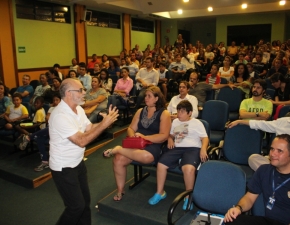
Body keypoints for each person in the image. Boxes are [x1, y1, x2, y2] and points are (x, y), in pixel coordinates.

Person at [49, 78, 118, 225]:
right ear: (69, 93)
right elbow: (81, 141)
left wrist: (105, 123)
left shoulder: (78, 109)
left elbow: (89, 128)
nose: (84, 92)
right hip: (63, 167)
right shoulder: (60, 115)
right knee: (75, 207)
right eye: (80, 90)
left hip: (77, 163)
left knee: (85, 203)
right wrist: (104, 124)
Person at [103, 86, 171, 201]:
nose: (146, 98)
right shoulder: (140, 111)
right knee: (118, 159)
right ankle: (120, 190)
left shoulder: (164, 113)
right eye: (145, 95)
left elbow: (163, 136)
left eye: (149, 96)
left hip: (152, 144)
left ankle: (118, 149)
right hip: (136, 143)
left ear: (156, 98)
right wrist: (132, 135)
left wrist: (145, 137)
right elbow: (131, 128)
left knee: (146, 157)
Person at [148, 100, 208, 208]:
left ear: (189, 113)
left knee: (188, 169)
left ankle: (188, 197)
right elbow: (170, 135)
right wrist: (170, 139)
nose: (179, 114)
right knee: (161, 164)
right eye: (178, 111)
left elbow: (205, 138)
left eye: (182, 112)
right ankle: (160, 192)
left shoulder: (197, 123)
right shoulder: (175, 122)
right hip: (177, 148)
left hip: (193, 149)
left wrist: (203, 149)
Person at [224, 134, 290, 225]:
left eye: (279, 151)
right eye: (272, 149)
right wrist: (238, 208)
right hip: (267, 221)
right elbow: (249, 198)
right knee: (231, 221)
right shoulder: (264, 170)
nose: (273, 154)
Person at [15, 94, 62, 171]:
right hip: (49, 130)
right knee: (40, 139)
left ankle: (29, 137)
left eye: (57, 100)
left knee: (51, 128)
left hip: (59, 131)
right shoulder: (51, 108)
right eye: (54, 100)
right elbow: (47, 118)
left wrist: (52, 120)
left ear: (61, 101)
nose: (55, 102)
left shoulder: (63, 109)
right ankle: (45, 162)